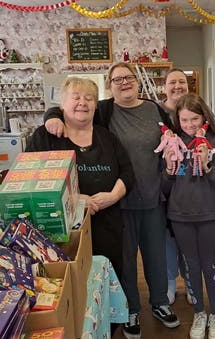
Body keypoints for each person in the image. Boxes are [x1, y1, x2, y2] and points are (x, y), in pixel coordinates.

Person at [43, 63, 180, 339]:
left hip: (152, 197)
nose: (124, 82)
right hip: (119, 204)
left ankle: (160, 303)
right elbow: (72, 107)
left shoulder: (154, 109)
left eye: (129, 77)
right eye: (117, 79)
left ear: (138, 81)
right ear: (110, 85)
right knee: (125, 260)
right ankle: (130, 309)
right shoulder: (105, 110)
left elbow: (174, 136)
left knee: (156, 256)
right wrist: (51, 115)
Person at [28, 77, 133, 279]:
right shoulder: (45, 137)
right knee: (71, 284)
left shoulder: (106, 137)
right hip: (62, 234)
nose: (83, 103)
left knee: (108, 280)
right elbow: (30, 181)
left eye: (89, 98)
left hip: (108, 228)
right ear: (61, 106)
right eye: (75, 97)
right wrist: (74, 200)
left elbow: (127, 173)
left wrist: (113, 195)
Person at [162, 94, 215, 339]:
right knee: (191, 265)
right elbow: (164, 186)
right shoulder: (173, 144)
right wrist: (169, 169)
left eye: (195, 118)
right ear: (177, 120)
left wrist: (208, 168)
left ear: (204, 116)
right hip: (180, 216)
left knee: (210, 265)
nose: (190, 124)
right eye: (184, 120)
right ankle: (199, 312)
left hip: (209, 216)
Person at [159, 68, 191, 304]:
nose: (177, 86)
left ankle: (191, 282)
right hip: (163, 185)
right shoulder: (154, 111)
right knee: (167, 239)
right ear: (164, 86)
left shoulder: (194, 109)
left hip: (191, 188)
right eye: (173, 82)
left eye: (182, 81)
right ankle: (170, 281)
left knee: (188, 239)